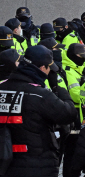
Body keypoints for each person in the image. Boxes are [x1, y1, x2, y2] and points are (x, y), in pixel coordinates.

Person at [0, 45, 77, 177]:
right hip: (36, 164)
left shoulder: (2, 87)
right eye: (49, 69)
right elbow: (68, 114)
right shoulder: (39, 95)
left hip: (4, 160)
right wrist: (59, 89)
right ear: (42, 68)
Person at [61, 43, 85, 177]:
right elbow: (75, 93)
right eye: (82, 56)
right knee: (72, 149)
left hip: (82, 112)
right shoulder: (68, 71)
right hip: (73, 115)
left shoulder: (80, 68)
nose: (84, 59)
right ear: (74, 56)